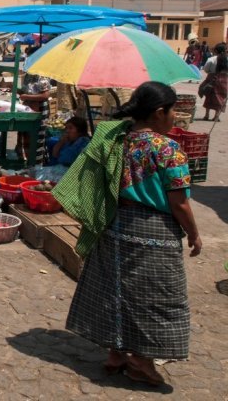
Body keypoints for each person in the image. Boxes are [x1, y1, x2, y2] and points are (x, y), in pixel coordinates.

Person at [61, 81, 201, 387]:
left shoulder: (116, 140)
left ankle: (116, 354)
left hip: (115, 225)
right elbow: (179, 203)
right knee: (154, 298)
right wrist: (194, 234)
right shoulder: (168, 149)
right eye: (173, 110)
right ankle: (140, 362)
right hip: (154, 232)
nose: (175, 116)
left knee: (114, 290)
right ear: (159, 112)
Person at [18, 70, 51, 164]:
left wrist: (27, 97)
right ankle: (25, 162)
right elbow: (27, 91)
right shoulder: (28, 74)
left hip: (40, 109)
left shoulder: (42, 75)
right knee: (25, 135)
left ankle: (37, 165)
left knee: (37, 138)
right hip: (28, 108)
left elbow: (45, 95)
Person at [200, 42, 227, 121]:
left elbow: (206, 69)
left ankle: (206, 115)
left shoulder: (211, 59)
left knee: (209, 97)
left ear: (215, 51)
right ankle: (216, 116)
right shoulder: (226, 59)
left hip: (212, 79)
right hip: (224, 80)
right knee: (220, 98)